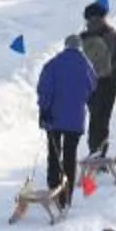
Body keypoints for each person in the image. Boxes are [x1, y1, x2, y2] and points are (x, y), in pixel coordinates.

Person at [36, 32, 96, 198]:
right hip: (75, 118)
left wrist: (44, 110)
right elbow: (92, 87)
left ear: (66, 46)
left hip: (53, 118)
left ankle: (53, 186)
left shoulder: (53, 64)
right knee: (70, 154)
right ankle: (67, 192)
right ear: (80, 47)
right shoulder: (85, 65)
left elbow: (44, 90)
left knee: (54, 153)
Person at [79, 0, 116, 164]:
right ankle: (99, 155)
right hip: (108, 83)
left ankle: (93, 150)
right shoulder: (115, 37)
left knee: (94, 118)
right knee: (103, 120)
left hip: (88, 85)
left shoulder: (83, 38)